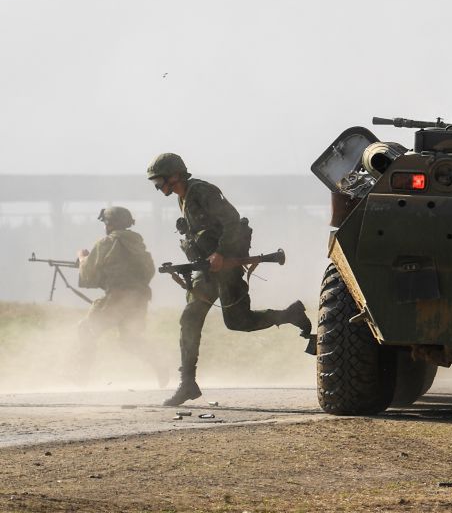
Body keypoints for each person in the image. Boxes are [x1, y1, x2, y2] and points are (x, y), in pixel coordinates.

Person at [147, 152, 312, 406]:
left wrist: (221, 253)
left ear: (175, 175)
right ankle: (188, 383)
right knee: (190, 318)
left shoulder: (202, 191)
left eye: (160, 182)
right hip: (208, 270)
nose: (158, 188)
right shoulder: (183, 198)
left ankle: (289, 315)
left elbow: (232, 221)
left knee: (238, 321)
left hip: (227, 266)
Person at [75, 206, 168, 386]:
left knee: (86, 329)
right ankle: (159, 364)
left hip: (117, 299)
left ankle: (81, 375)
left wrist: (81, 258)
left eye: (105, 223)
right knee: (129, 340)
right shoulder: (138, 245)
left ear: (109, 224)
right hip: (139, 299)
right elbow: (148, 271)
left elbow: (87, 273)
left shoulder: (106, 243)